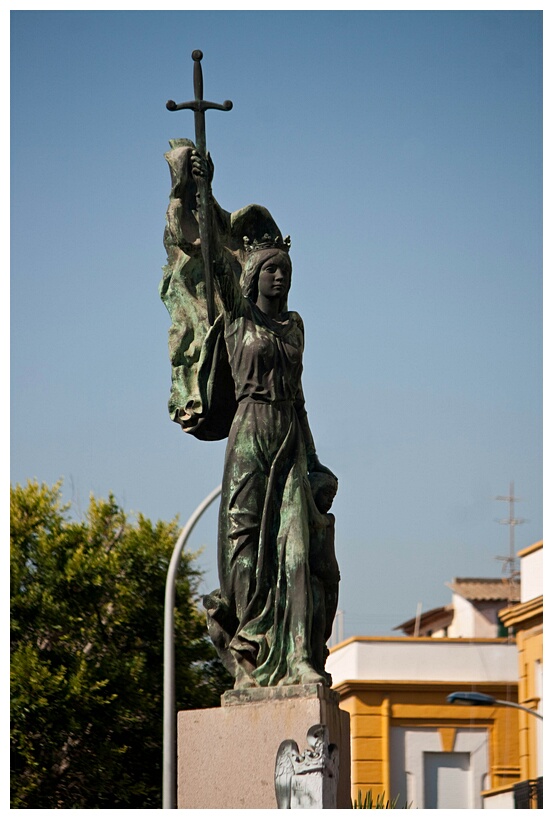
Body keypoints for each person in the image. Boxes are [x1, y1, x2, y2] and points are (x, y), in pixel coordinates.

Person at [161, 145, 337, 688]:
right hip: (248, 436)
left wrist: (316, 461)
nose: (279, 279)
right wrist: (200, 187)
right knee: (243, 547)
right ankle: (252, 645)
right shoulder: (237, 321)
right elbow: (211, 250)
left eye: (285, 270)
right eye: (270, 270)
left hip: (289, 435)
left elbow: (300, 397)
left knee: (300, 549)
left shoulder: (296, 327)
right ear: (254, 276)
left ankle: (301, 658)